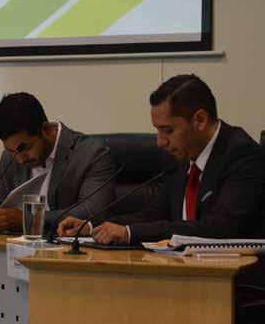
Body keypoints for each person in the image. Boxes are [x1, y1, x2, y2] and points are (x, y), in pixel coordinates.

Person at [57, 74, 265, 245]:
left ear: (200, 120)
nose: (160, 142)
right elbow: (153, 216)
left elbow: (218, 228)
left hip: (234, 278)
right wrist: (91, 226)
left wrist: (129, 232)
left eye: (168, 130)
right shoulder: (181, 157)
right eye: (157, 130)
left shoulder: (243, 156)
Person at [0, 92, 116, 232]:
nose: (20, 159)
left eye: (25, 148)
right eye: (11, 151)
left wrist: (29, 220)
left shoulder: (92, 153)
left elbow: (93, 211)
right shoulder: (12, 157)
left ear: (45, 129)